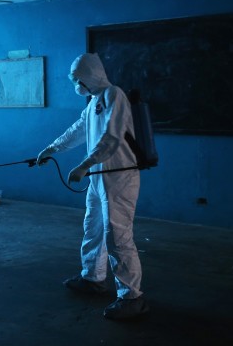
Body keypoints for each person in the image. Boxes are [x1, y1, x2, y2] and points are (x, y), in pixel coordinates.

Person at [36, 53, 149, 320]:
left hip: (119, 177)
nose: (76, 83)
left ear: (90, 76)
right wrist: (52, 148)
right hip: (99, 176)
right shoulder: (94, 100)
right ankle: (93, 278)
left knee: (118, 237)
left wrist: (84, 164)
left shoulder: (114, 95)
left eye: (78, 78)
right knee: (93, 228)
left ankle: (132, 297)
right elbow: (78, 130)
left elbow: (111, 138)